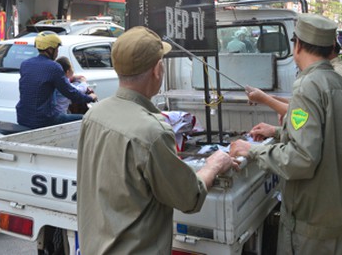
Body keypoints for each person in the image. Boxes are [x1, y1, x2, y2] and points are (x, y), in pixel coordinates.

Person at [77, 26, 235, 254]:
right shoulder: (152, 131)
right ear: (157, 70)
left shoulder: (94, 114)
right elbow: (189, 197)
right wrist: (214, 165)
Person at [230, 14, 342, 254]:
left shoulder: (308, 87)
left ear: (299, 45)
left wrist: (252, 150)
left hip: (311, 223)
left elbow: (301, 159)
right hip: (341, 213)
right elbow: (331, 136)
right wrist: (278, 130)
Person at [246, 39, 342, 254]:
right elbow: (316, 116)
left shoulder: (337, 77)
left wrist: (263, 103)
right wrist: (276, 128)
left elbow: (305, 147)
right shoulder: (325, 76)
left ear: (299, 48)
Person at [15, 31, 97, 129]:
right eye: (57, 49)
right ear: (50, 49)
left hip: (22, 116)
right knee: (86, 119)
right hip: (44, 119)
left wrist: (71, 78)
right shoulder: (54, 67)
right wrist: (90, 97)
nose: (57, 52)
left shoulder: (25, 64)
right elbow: (70, 93)